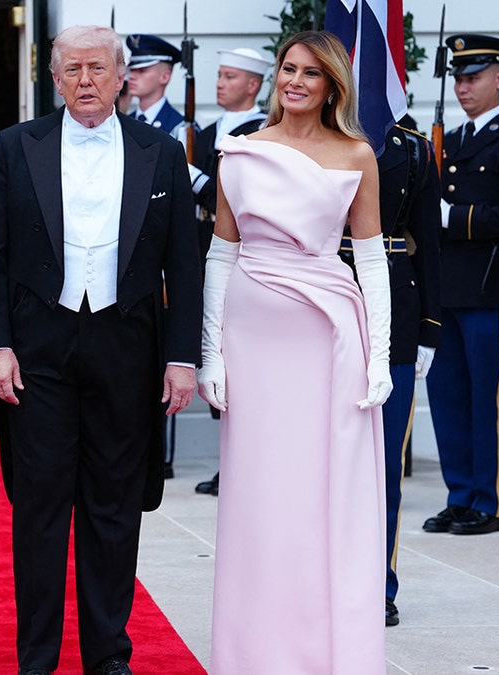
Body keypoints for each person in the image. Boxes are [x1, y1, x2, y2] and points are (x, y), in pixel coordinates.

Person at [0, 25, 201, 675]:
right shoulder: (14, 147)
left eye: (97, 68)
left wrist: (181, 356)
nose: (85, 81)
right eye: (71, 69)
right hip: (39, 349)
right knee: (40, 508)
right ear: (54, 78)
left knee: (114, 506)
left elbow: (183, 264)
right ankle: (37, 656)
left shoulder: (160, 151)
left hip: (127, 346)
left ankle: (107, 652)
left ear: (121, 75)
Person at [198, 31, 391, 673]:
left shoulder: (357, 155)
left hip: (329, 336)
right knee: (261, 498)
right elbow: (221, 252)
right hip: (253, 341)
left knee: (322, 494)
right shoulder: (241, 153)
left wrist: (381, 356)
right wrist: (212, 354)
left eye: (311, 73)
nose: (295, 81)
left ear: (333, 84)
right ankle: (256, 653)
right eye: (288, 69)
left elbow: (370, 257)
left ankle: (326, 649)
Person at [423, 34, 499, 537]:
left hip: (490, 284)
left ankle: (490, 502)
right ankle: (460, 495)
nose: (463, 87)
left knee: (487, 396)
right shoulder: (446, 143)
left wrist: (456, 218)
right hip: (446, 288)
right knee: (447, 393)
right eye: (458, 78)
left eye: (473, 78)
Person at [337, 114, 442, 627]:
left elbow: (429, 244)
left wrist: (429, 327)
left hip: (396, 313)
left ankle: (379, 583)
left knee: (383, 465)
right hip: (318, 306)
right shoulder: (298, 140)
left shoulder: (414, 151)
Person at [186, 46, 273, 498]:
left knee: (240, 360)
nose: (221, 83)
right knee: (215, 356)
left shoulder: (260, 131)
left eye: (231, 77)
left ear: (254, 85)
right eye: (218, 75)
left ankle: (246, 461)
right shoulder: (204, 131)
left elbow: (233, 199)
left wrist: (194, 179)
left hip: (238, 255)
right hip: (206, 251)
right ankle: (231, 461)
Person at [125, 34, 187, 137]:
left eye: (141, 71)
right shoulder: (125, 121)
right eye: (132, 70)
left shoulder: (179, 128)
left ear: (164, 77)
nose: (131, 76)